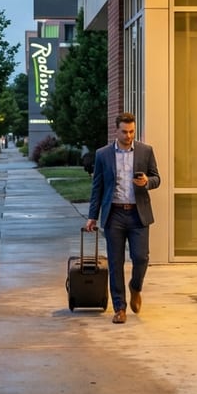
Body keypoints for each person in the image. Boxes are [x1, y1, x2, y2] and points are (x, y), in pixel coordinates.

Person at [85, 112, 159, 324]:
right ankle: (120, 308)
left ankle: (135, 287)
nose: (129, 136)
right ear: (116, 131)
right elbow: (97, 187)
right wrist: (92, 216)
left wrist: (146, 182)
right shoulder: (103, 154)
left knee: (141, 257)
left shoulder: (146, 151)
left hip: (138, 214)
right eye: (125, 132)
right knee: (116, 263)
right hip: (114, 214)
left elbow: (157, 178)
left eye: (132, 132)